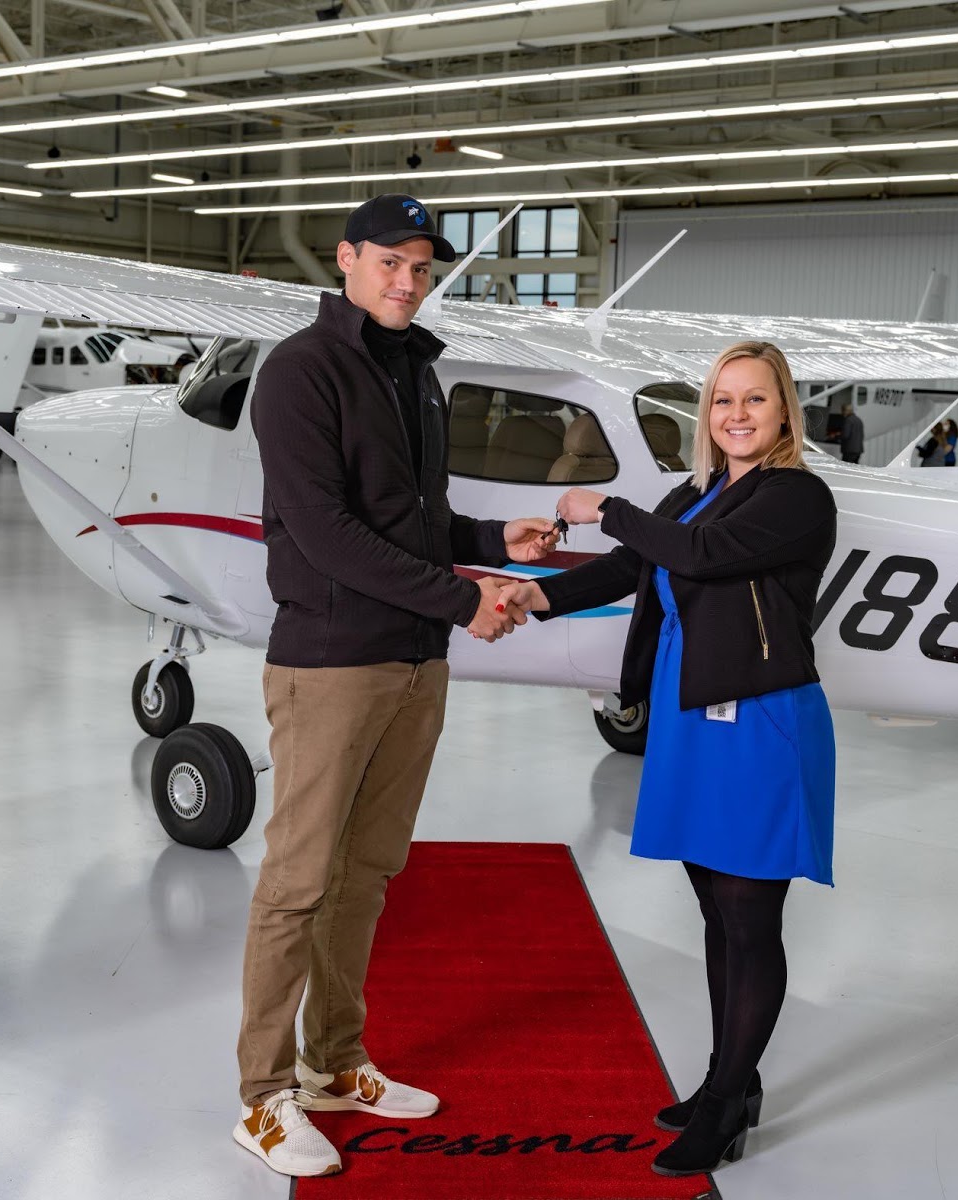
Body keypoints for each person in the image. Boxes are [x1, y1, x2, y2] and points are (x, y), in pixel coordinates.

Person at [234, 193, 559, 1179]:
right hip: (333, 662)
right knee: (297, 883)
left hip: (416, 661)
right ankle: (260, 1097)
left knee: (365, 876)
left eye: (422, 268)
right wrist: (465, 602)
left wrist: (489, 542)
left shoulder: (418, 374)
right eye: (390, 263)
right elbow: (327, 534)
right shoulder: (299, 372)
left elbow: (414, 523)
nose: (408, 282)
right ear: (345, 260)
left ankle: (335, 1064)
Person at [496, 340, 837, 1179]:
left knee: (751, 920)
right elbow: (636, 564)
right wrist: (537, 595)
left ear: (784, 411)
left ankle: (724, 1105)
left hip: (759, 722)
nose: (737, 415)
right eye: (723, 401)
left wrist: (602, 504)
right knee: (717, 912)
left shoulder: (798, 497)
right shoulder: (698, 492)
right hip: (692, 722)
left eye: (755, 400)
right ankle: (733, 1079)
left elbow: (700, 557)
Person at [837, 398, 864, 464]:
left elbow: (845, 435)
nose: (842, 413)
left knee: (846, 468)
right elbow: (862, 435)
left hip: (849, 450)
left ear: (846, 411)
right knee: (854, 468)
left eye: (842, 411)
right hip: (858, 450)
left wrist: (837, 436)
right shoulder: (858, 420)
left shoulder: (848, 420)